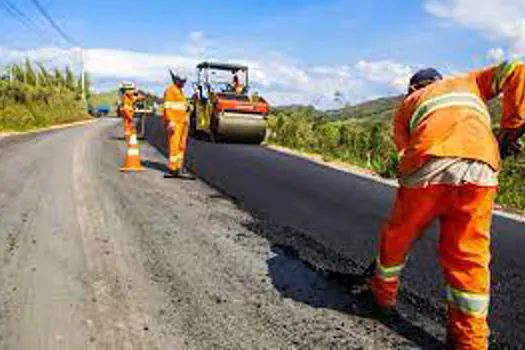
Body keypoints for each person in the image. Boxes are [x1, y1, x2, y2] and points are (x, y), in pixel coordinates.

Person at [369, 61, 525, 349]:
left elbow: (404, 152)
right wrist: (510, 128)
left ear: (413, 89)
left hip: (428, 165)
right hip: (482, 168)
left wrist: (412, 198)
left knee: (398, 236)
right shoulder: (471, 81)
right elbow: (516, 68)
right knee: (468, 256)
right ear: (440, 79)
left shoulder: (409, 102)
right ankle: (470, 341)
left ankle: (381, 297)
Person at [162, 70, 194, 178]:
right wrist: (170, 121)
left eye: (184, 81)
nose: (184, 83)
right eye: (182, 81)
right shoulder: (170, 90)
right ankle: (172, 168)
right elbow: (167, 107)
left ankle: (179, 166)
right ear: (176, 79)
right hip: (175, 123)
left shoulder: (180, 91)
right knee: (174, 146)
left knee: (181, 146)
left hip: (182, 123)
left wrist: (187, 107)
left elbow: (179, 106)